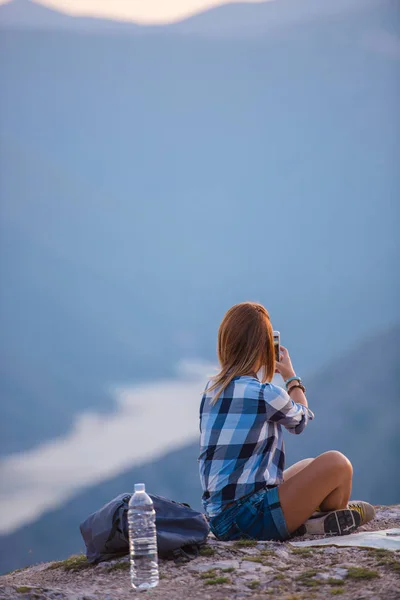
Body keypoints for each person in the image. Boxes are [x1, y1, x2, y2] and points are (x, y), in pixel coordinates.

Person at [198, 302, 375, 541]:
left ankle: (306, 521)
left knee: (309, 465)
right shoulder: (265, 394)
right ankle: (314, 520)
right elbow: (300, 419)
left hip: (218, 519)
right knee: (338, 465)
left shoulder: (212, 390)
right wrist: (291, 377)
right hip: (249, 520)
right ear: (263, 348)